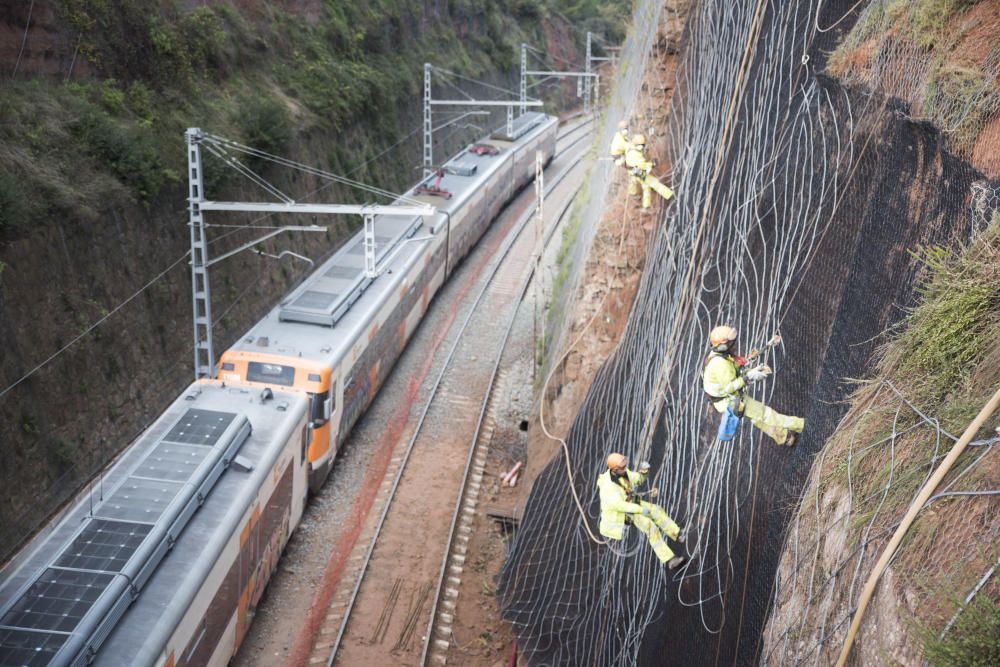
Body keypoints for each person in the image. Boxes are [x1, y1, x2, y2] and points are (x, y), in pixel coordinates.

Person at [702, 325, 804, 447]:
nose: (734, 346)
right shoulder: (720, 364)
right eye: (730, 344)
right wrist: (748, 376)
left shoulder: (718, 354)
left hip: (724, 400)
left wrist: (766, 347)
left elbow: (738, 366)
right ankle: (802, 425)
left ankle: (784, 437)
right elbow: (729, 387)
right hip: (730, 400)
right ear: (723, 346)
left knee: (757, 418)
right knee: (766, 414)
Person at [597, 453, 686, 569]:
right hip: (622, 513)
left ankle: (678, 533)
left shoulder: (622, 472)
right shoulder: (608, 487)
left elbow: (637, 479)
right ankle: (670, 560)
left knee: (656, 511)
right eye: (623, 467)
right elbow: (620, 506)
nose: (625, 468)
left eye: (625, 465)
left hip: (631, 503)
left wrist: (644, 471)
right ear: (614, 469)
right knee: (650, 526)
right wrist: (640, 510)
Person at [623, 133, 674, 209]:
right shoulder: (635, 155)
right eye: (641, 146)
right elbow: (643, 165)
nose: (642, 147)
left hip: (633, 171)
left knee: (645, 186)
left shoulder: (631, 147)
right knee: (654, 183)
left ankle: (645, 205)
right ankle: (669, 195)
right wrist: (652, 164)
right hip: (638, 172)